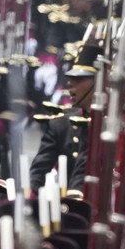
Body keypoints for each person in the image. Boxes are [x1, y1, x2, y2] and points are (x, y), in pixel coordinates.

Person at [28, 41, 103, 194]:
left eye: (79, 80)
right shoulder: (61, 124)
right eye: (70, 79)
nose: (70, 85)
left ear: (99, 81)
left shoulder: (116, 126)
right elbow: (38, 173)